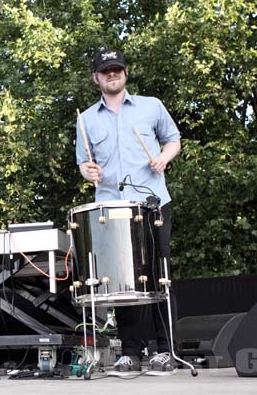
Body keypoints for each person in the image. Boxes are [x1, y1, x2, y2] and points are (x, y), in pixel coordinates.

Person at [76, 49, 181, 375]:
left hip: (152, 203)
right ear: (96, 77)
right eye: (105, 71)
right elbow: (84, 161)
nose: (112, 74)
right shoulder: (86, 119)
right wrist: (88, 172)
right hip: (113, 207)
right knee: (120, 281)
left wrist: (164, 158)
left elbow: (174, 139)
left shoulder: (151, 106)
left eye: (117, 69)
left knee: (159, 276)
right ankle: (130, 352)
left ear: (126, 72)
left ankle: (167, 351)